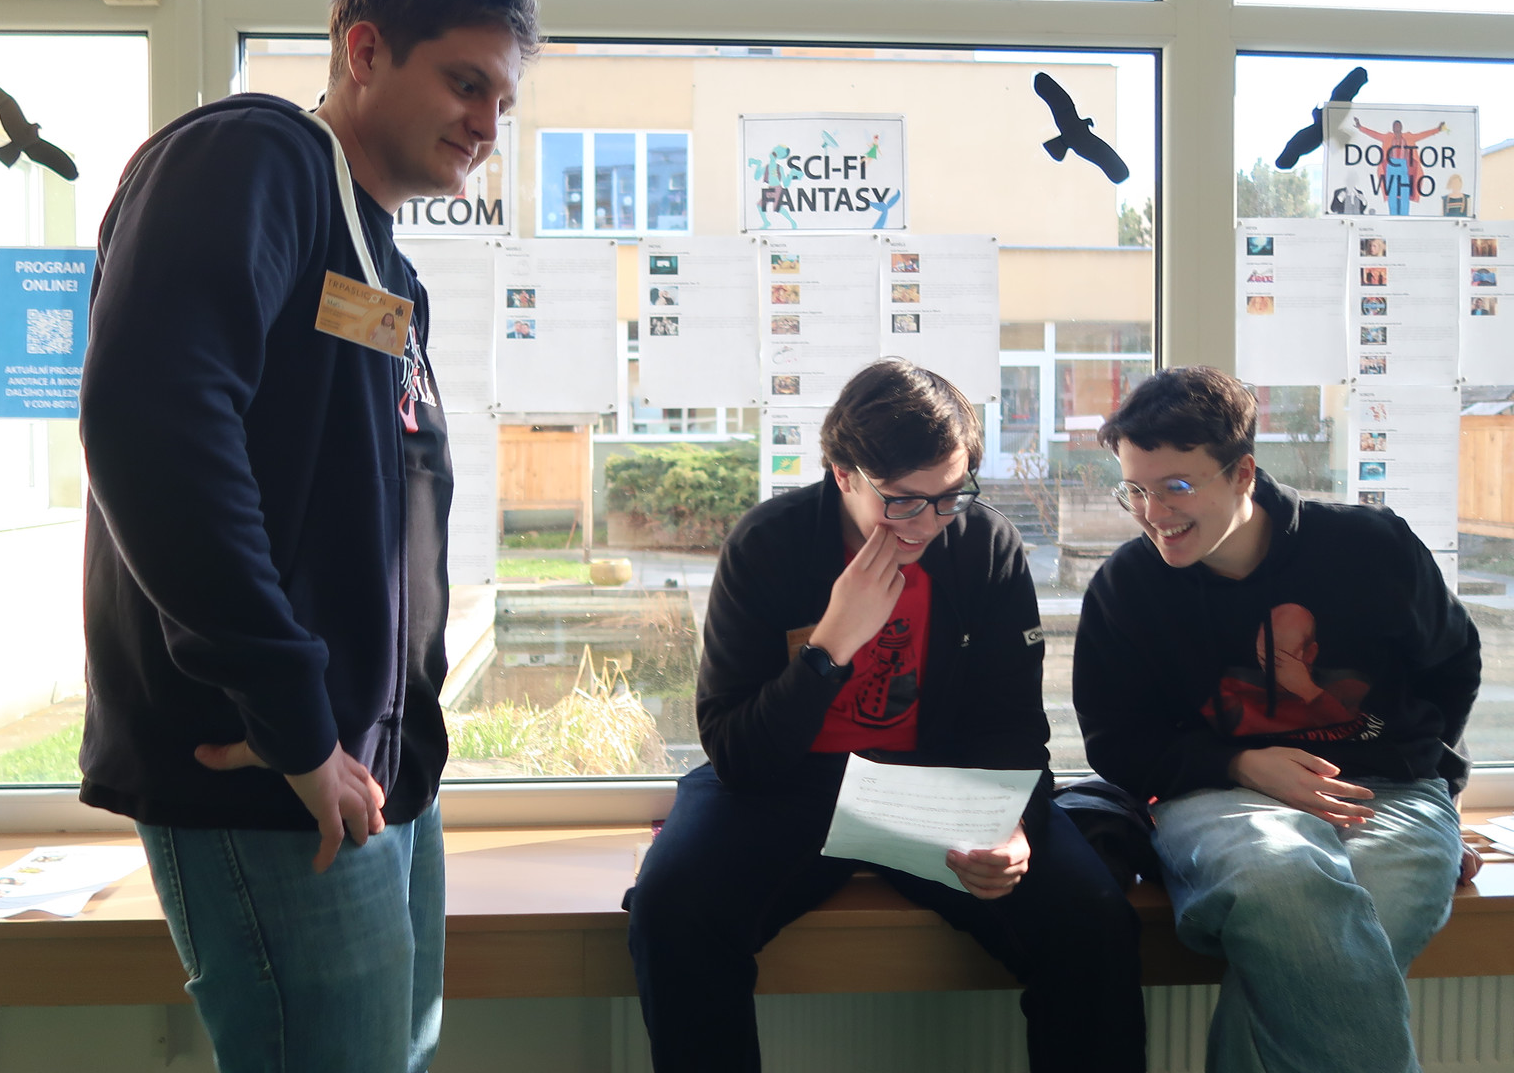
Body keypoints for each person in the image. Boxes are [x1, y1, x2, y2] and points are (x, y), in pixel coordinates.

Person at [78, 0, 539, 1073]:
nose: (488, 125)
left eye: (504, 102)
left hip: (361, 768)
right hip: (270, 765)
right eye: (465, 83)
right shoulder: (249, 158)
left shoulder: (379, 257)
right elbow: (155, 426)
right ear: (364, 50)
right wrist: (292, 717)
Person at [626, 358, 1146, 1072]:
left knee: (1092, 918)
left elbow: (1014, 726)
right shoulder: (769, 546)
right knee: (672, 910)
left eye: (950, 496)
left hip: (935, 787)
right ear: (843, 475)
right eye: (903, 502)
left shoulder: (982, 546)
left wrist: (1011, 822)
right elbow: (737, 755)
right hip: (789, 785)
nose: (928, 523)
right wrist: (830, 646)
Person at [1073, 365, 1481, 1073]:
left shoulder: (1370, 548)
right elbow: (1116, 742)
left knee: (1341, 927)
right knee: (1285, 887)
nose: (1152, 512)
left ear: (1243, 473)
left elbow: (1452, 665)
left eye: (1176, 486)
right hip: (1216, 796)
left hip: (1387, 794)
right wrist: (1237, 762)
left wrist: (1437, 797)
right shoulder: (1127, 587)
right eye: (1134, 489)